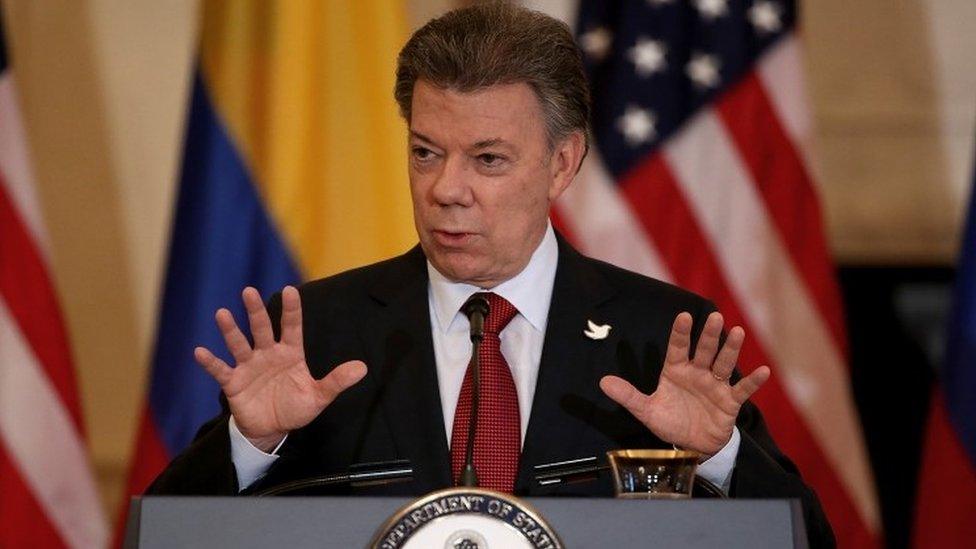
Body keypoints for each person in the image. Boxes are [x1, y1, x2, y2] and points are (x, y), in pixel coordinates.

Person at [148, 3, 833, 546]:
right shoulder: (321, 332)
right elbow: (166, 531)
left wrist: (719, 460)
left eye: (488, 159)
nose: (446, 188)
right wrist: (251, 445)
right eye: (425, 151)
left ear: (562, 163)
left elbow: (805, 537)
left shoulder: (657, 338)